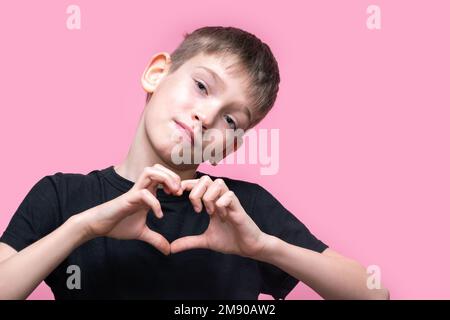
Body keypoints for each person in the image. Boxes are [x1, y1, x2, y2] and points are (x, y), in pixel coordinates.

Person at [0, 26, 389, 300]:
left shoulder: (242, 210)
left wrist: (263, 246)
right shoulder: (63, 194)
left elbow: (373, 294)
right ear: (157, 74)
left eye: (231, 120)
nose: (206, 117)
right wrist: (82, 227)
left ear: (230, 146)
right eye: (201, 86)